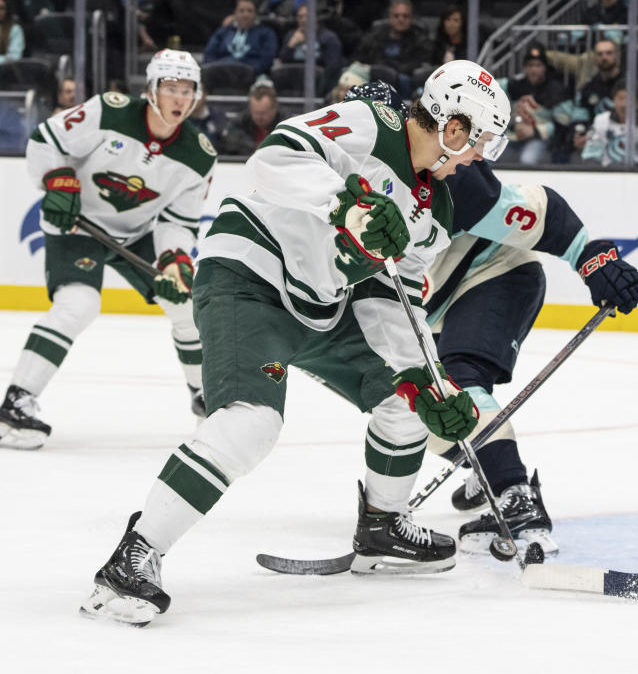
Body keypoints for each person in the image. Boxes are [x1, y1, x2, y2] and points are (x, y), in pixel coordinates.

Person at [80, 60, 512, 626]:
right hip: (249, 274)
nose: (480, 156)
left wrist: (425, 380)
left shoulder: (438, 209)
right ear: (454, 127)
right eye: (480, 142)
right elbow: (275, 160)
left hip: (323, 303)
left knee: (406, 404)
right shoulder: (369, 121)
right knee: (251, 423)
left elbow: (392, 295)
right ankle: (132, 559)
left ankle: (382, 527)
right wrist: (349, 203)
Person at [341, 80, 638, 554]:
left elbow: (541, 212)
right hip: (431, 307)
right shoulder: (334, 185)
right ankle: (486, 471)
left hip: (495, 274)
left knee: (460, 383)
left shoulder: (460, 182)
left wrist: (595, 260)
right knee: (418, 407)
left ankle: (514, 494)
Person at [0, 50, 216, 449]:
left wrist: (176, 259)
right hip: (77, 223)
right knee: (79, 303)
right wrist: (58, 179)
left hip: (135, 231)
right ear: (150, 89)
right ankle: (16, 401)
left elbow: (178, 223)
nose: (180, 99)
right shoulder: (108, 111)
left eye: (188, 90)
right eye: (171, 88)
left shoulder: (198, 154)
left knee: (188, 300)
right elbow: (45, 141)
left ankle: (206, 398)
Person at [502, 43, 568, 166]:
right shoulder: (515, 84)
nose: (533, 69)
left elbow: (563, 125)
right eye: (530, 65)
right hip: (513, 136)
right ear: (525, 68)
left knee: (527, 161)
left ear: (545, 67)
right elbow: (492, 88)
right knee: (489, 157)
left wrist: (536, 131)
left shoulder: (555, 90)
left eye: (538, 65)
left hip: (539, 139)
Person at [354, 0, 431, 98]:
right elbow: (362, 57)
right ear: (390, 18)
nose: (401, 19)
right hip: (376, 78)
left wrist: (394, 70)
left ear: (411, 18)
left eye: (405, 16)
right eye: (396, 16)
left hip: (404, 80)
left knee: (403, 79)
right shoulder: (375, 36)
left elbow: (420, 62)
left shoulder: (420, 38)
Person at [582, 78, 638, 166]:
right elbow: (590, 157)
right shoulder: (601, 121)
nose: (624, 104)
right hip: (604, 176)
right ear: (613, 99)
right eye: (620, 98)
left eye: (629, 99)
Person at [202, 0, 278, 77]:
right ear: (235, 13)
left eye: (250, 11)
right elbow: (208, 55)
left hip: (252, 75)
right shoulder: (223, 32)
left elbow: (266, 60)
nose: (245, 15)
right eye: (241, 11)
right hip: (222, 73)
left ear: (256, 14)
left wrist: (248, 73)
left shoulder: (266, 34)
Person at [220, 83, 282, 156]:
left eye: (263, 113)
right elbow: (231, 144)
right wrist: (255, 148)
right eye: (255, 112)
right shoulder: (239, 122)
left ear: (274, 109)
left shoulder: (287, 124)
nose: (259, 117)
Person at [0, 0, 24, 64]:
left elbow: (14, 57)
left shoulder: (15, 30)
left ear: (7, 11)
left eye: (1, 8)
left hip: (5, 71)